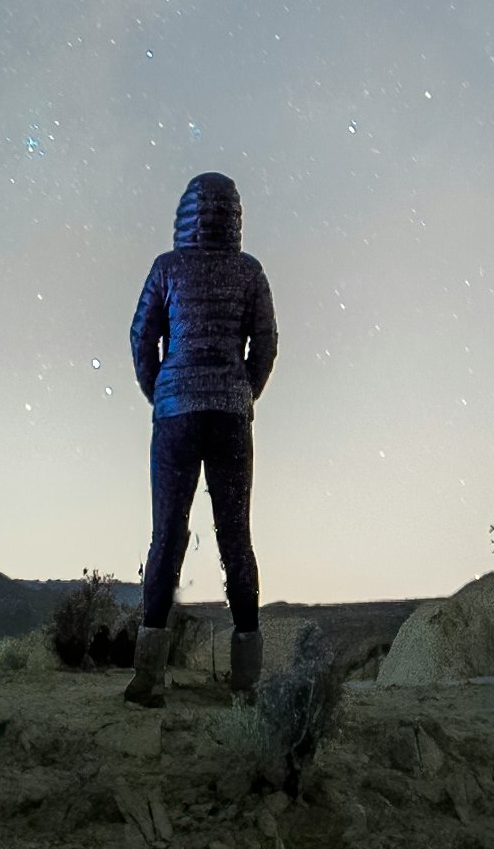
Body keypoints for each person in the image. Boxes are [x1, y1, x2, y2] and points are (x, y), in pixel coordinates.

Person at [123, 167, 278, 702]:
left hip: (176, 419)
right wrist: (242, 391)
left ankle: (148, 676)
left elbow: (141, 335)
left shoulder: (168, 268)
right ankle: (246, 681)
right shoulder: (249, 272)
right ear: (235, 217)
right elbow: (266, 343)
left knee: (166, 536)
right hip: (230, 416)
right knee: (236, 538)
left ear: (185, 215)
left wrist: (161, 390)